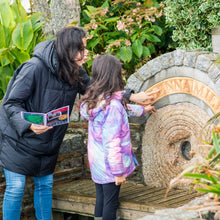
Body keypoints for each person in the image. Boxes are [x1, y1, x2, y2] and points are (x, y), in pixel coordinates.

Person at [0, 26, 156, 220]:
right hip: (18, 139)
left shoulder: (74, 71)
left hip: (47, 139)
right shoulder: (34, 67)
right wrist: (29, 124)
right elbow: (10, 102)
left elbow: (98, 91)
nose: (85, 53)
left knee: (45, 186)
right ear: (68, 50)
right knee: (15, 189)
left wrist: (130, 96)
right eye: (81, 48)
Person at [79, 54, 156, 220]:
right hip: (109, 166)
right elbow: (112, 142)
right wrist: (118, 172)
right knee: (110, 204)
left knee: (101, 198)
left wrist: (143, 109)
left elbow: (124, 109)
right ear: (114, 76)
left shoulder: (97, 100)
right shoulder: (112, 105)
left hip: (98, 163)